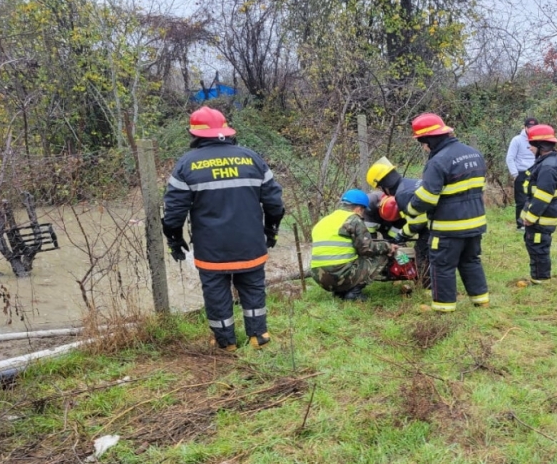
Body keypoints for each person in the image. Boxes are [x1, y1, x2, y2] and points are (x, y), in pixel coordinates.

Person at [162, 106, 285, 352]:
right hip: (250, 244)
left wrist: (174, 239)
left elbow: (174, 211)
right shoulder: (251, 158)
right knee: (252, 288)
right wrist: (271, 230)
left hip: (211, 249)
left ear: (194, 135)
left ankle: (225, 342)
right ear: (226, 131)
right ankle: (258, 336)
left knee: (217, 294)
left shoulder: (186, 164)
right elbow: (275, 203)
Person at [404, 113, 489, 312]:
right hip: (475, 222)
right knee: (471, 260)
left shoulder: (439, 161)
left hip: (448, 227)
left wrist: (410, 209)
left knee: (442, 265)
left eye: (422, 142)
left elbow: (428, 197)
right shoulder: (474, 154)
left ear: (429, 139)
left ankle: (444, 308)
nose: (423, 147)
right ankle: (481, 300)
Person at [310, 189, 399, 301]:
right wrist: (388, 247)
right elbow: (366, 249)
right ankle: (354, 293)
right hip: (338, 274)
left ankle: (340, 292)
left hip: (319, 277)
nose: (363, 214)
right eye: (363, 211)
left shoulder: (323, 221)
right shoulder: (353, 219)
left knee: (350, 258)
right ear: (358, 208)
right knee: (382, 255)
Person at [366, 156, 431, 287]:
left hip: (431, 224)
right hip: (439, 220)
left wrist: (399, 238)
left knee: (412, 252)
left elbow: (415, 224)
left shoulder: (402, 197)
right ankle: (388, 269)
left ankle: (419, 280)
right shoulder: (410, 184)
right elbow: (369, 238)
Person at [520, 124, 557, 284]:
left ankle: (540, 280)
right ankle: (539, 278)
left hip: (542, 217)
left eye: (531, 145)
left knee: (538, 247)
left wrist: (530, 218)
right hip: (544, 215)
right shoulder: (549, 161)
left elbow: (543, 196)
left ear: (540, 145)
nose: (529, 148)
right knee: (536, 245)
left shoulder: (548, 167)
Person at [506, 117, 538, 230]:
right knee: (521, 200)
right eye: (529, 127)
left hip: (535, 172)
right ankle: (520, 225)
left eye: (533, 128)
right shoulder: (517, 140)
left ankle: (532, 222)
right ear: (525, 127)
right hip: (521, 173)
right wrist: (515, 174)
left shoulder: (538, 140)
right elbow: (510, 158)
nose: (531, 130)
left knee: (535, 199)